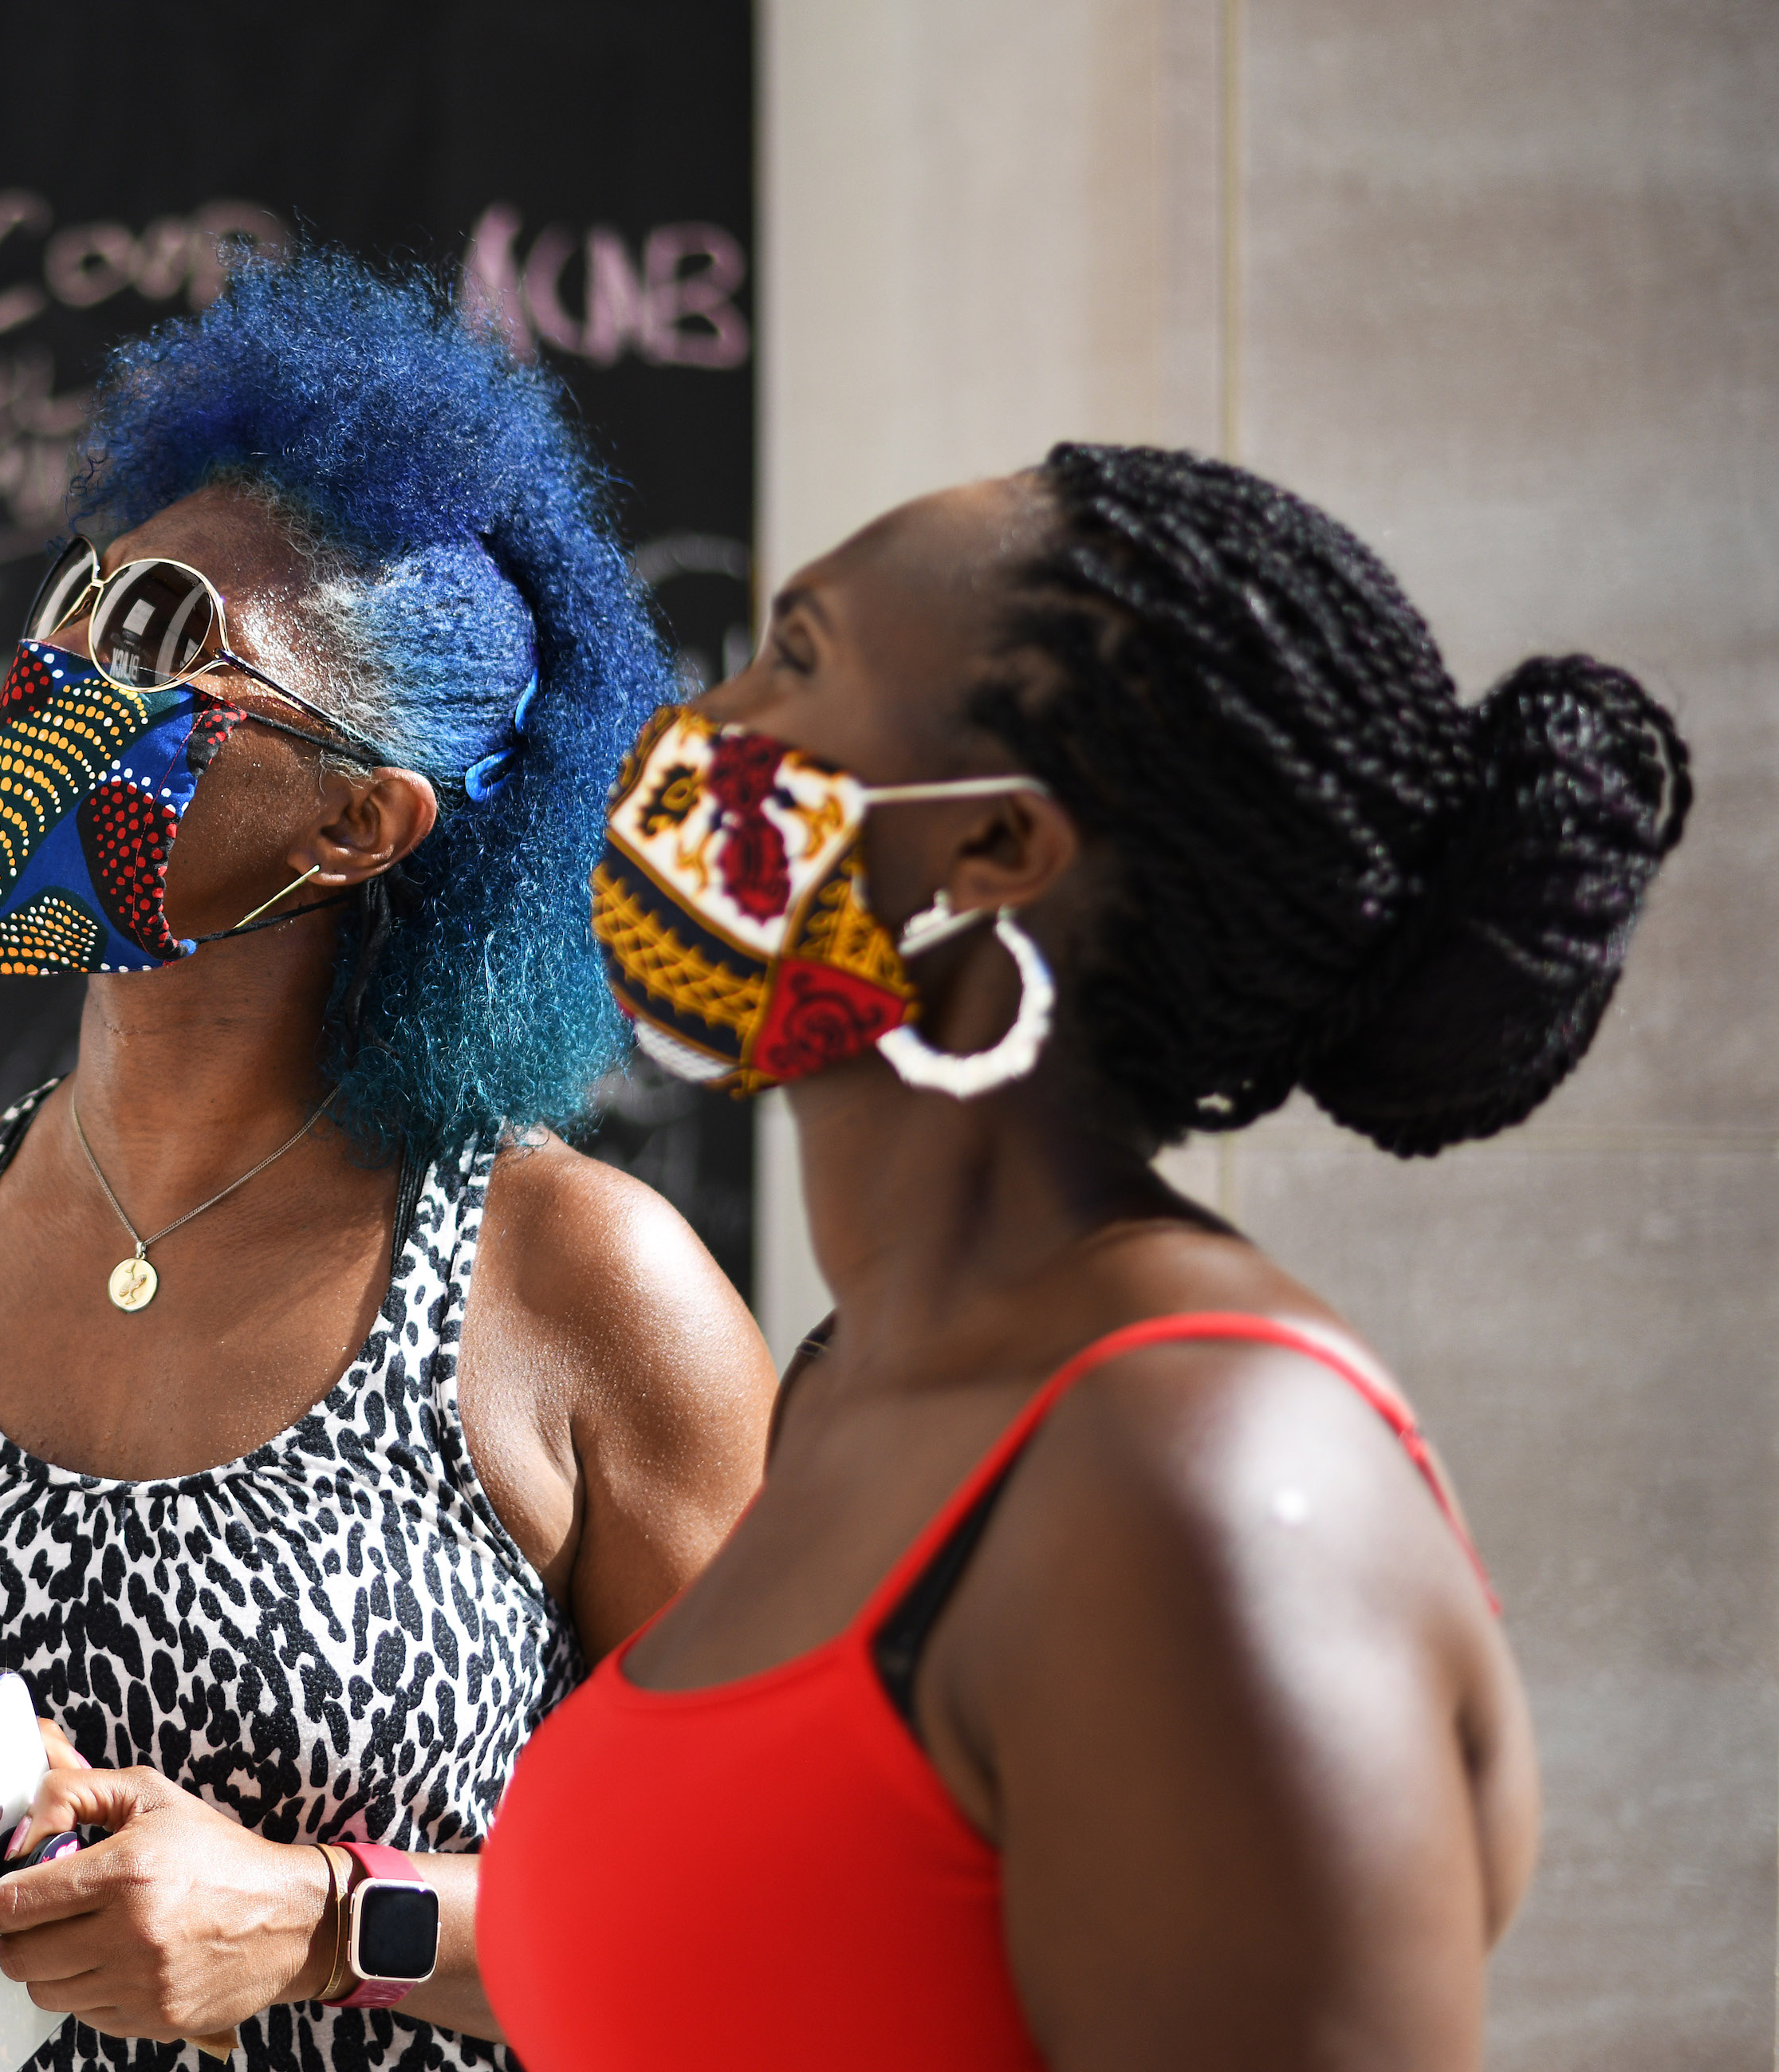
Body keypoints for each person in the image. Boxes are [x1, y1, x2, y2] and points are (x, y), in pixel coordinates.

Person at [0, 254, 777, 2070]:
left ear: (358, 818)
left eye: (164, 642)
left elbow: (760, 1928)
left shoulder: (580, 1285)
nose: (64, 674)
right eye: (77, 601)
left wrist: (323, 1922)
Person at [476, 444, 1693, 2070]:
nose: (696, 724)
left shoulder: (1196, 1470)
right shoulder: (847, 1387)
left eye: (797, 659)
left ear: (989, 848)